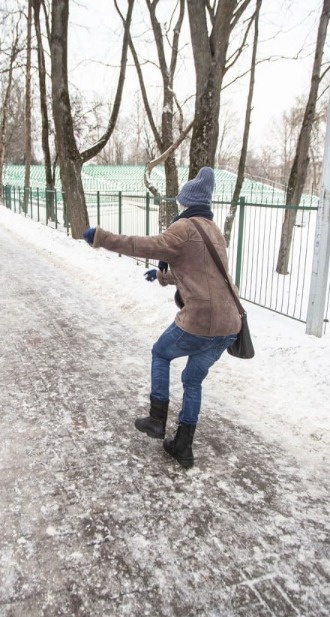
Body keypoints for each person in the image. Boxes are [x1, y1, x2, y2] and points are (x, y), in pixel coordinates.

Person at [82, 167, 240, 469]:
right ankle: (183, 445)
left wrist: (101, 237)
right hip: (230, 323)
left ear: (186, 201)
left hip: (202, 319)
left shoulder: (184, 228)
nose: (178, 204)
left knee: (160, 352)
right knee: (193, 380)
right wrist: (163, 276)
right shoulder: (213, 230)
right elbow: (202, 274)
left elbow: (145, 244)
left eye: (181, 200)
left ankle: (157, 418)